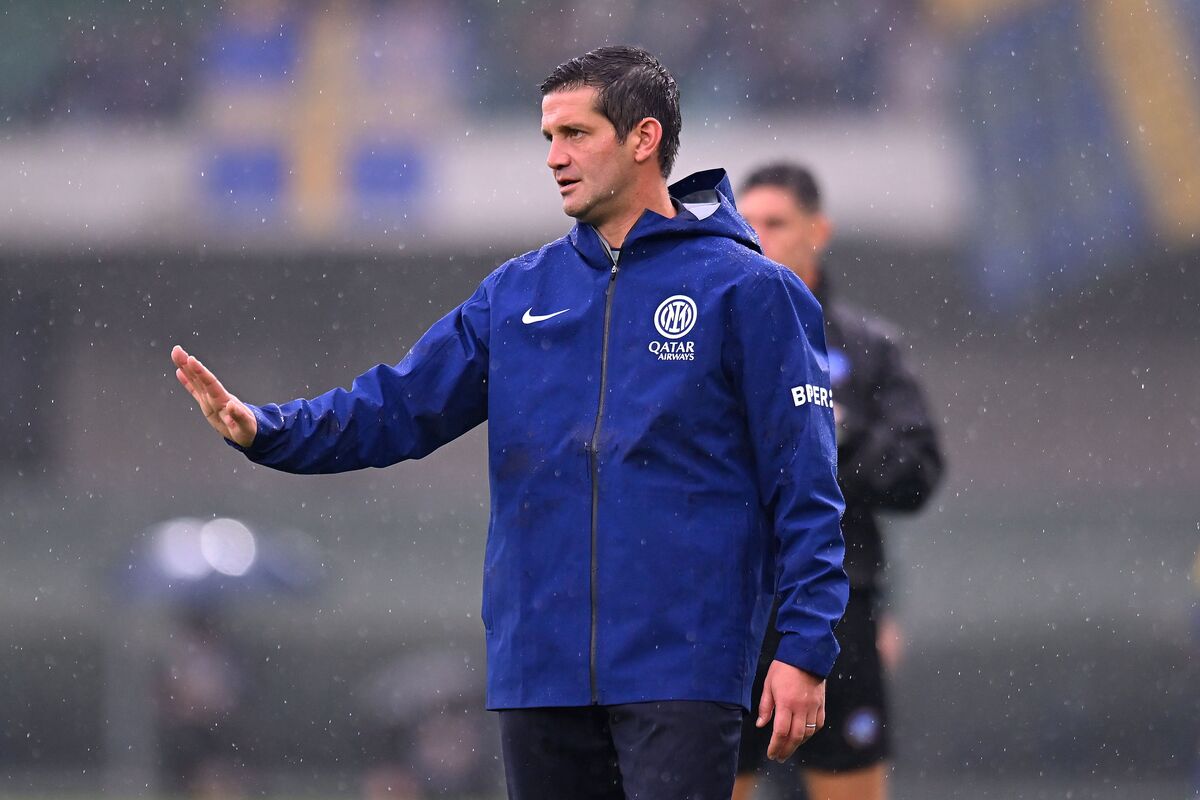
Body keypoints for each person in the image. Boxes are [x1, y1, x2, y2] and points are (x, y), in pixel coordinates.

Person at [171, 46, 848, 800]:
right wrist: (265, 429)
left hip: (682, 663)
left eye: (576, 134)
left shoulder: (750, 291)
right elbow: (397, 406)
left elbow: (807, 487)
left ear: (644, 138)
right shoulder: (517, 293)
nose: (555, 157)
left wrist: (806, 647)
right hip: (540, 668)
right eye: (547, 138)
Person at [732, 162, 944, 800]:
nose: (757, 237)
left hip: (836, 611)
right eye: (746, 224)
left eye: (775, 223)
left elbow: (917, 477)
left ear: (818, 230)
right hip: (725, 612)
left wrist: (839, 431)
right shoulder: (701, 336)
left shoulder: (867, 347)